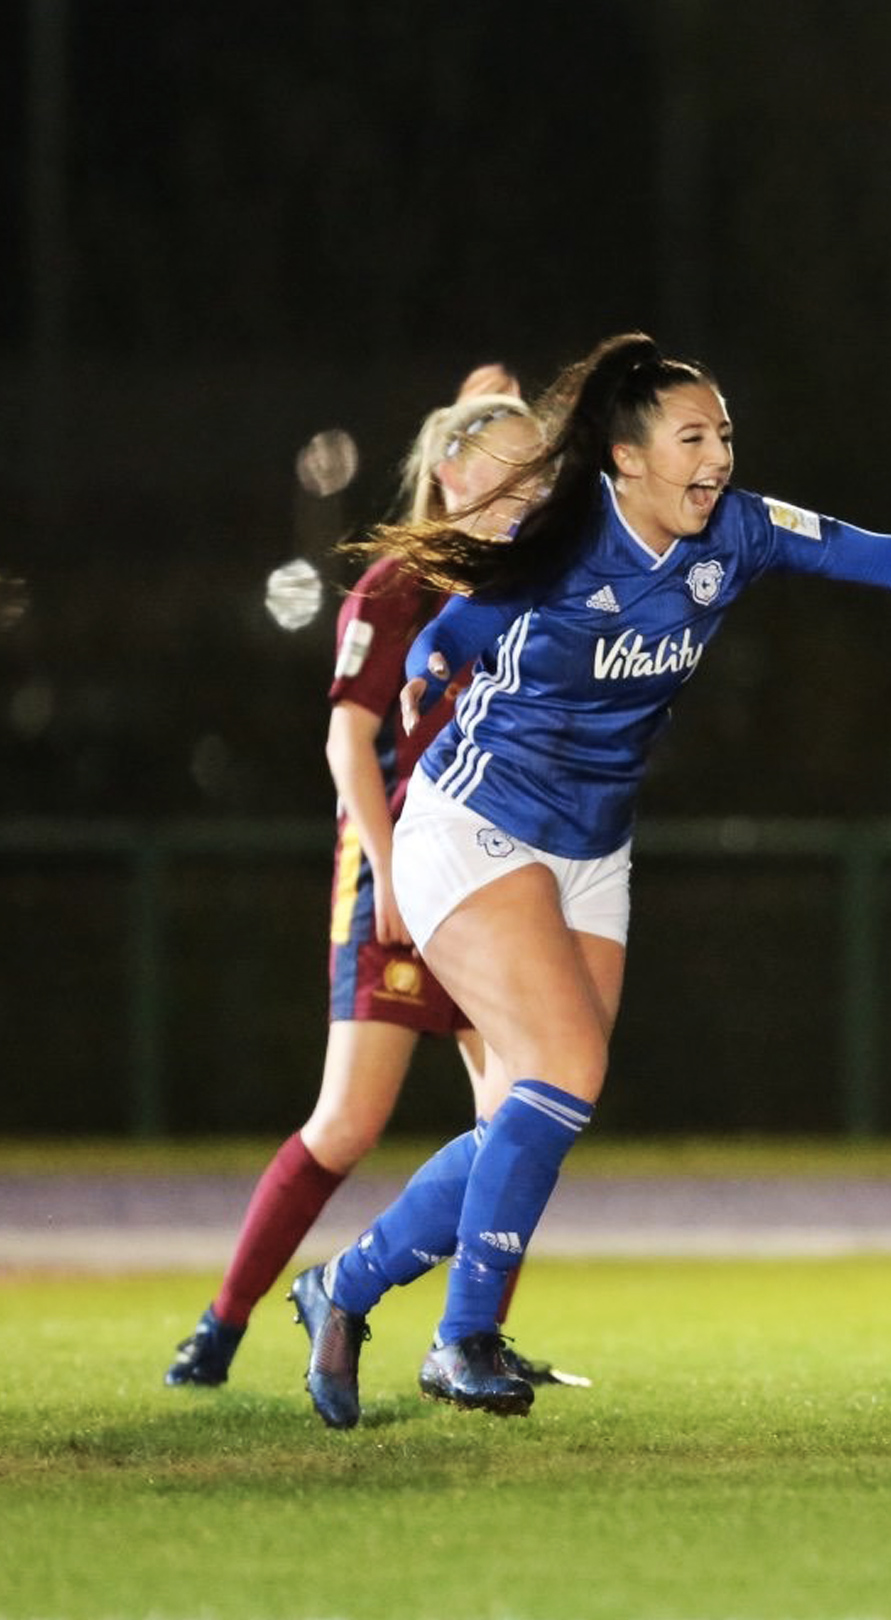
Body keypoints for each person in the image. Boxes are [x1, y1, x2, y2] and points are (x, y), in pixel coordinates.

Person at [286, 331, 891, 1429]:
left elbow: (882, 555)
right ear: (625, 459)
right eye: (693, 436)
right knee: (563, 1067)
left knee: (544, 1103)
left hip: (591, 849)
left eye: (724, 432)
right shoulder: (561, 539)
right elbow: (445, 638)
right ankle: (462, 1340)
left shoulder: (736, 531)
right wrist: (426, 688)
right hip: (472, 827)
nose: (719, 455)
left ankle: (342, 1287)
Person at [165, 386, 580, 1390]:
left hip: (493, 882)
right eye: (510, 469)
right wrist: (390, 868)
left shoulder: (533, 588)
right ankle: (222, 1324)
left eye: (540, 473)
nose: (530, 491)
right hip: (398, 878)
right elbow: (349, 739)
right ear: (450, 477)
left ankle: (466, 1340)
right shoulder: (396, 587)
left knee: (521, 1120)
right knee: (348, 1123)